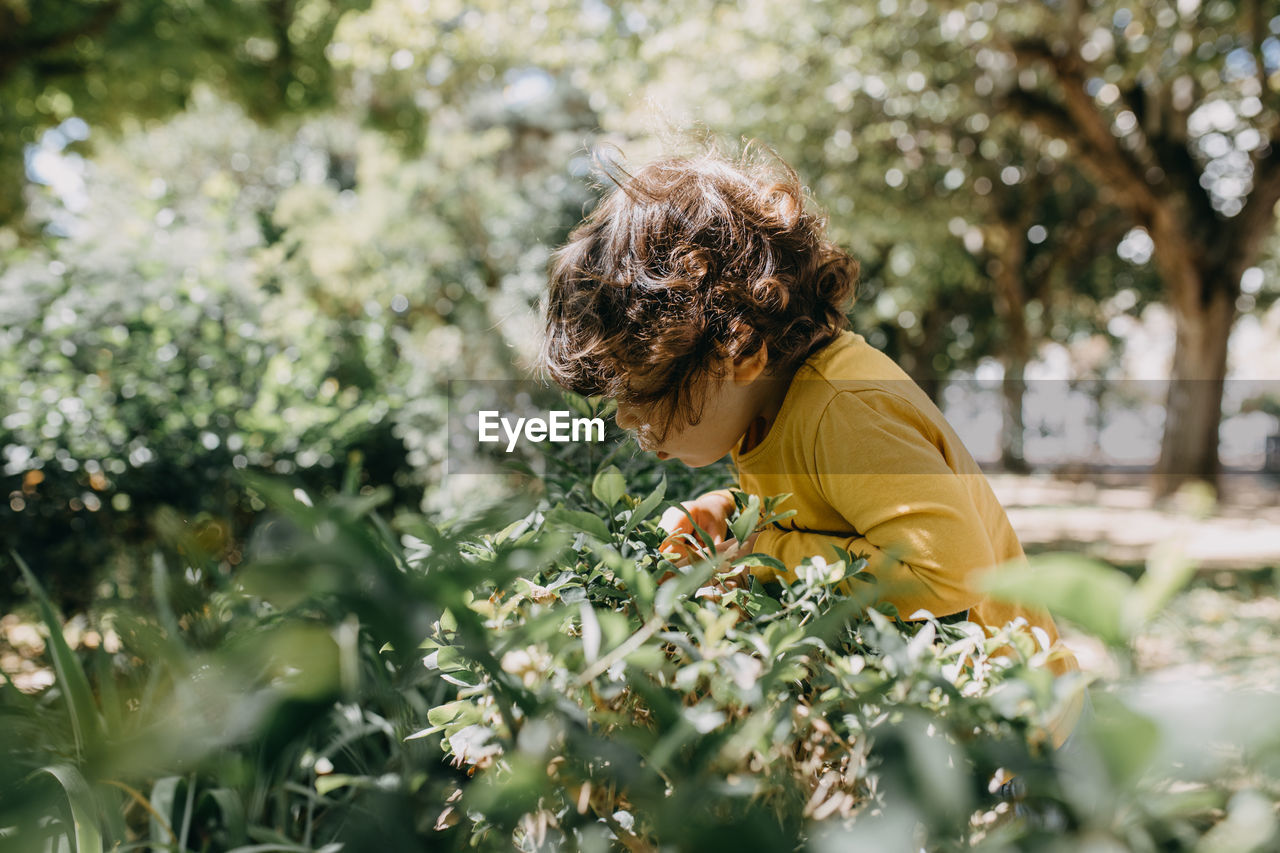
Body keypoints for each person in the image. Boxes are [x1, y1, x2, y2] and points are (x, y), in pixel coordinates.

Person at [539, 141, 1082, 747]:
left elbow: (946, 576)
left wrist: (754, 556)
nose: (625, 419)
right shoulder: (768, 411)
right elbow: (827, 512)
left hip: (1014, 729)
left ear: (737, 350)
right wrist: (732, 517)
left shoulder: (845, 406)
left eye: (642, 392)